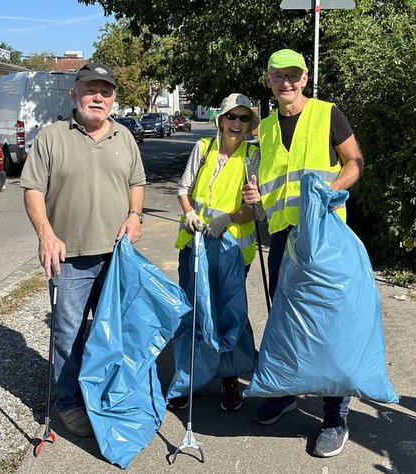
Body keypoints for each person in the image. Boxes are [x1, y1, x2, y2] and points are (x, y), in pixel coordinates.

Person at [242, 49, 364, 457]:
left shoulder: (329, 114)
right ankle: (287, 391)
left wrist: (329, 192)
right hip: (281, 237)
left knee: (328, 322)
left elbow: (355, 162)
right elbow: (274, 181)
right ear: (269, 80)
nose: (286, 83)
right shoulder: (269, 127)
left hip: (324, 235)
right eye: (279, 76)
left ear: (305, 78)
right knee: (285, 318)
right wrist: (256, 195)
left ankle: (334, 414)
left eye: (293, 75)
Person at [20, 63, 146, 437]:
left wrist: (135, 215)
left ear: (113, 99)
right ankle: (69, 402)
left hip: (116, 257)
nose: (99, 97)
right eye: (91, 89)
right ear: (74, 94)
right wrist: (45, 234)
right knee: (68, 334)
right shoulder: (52, 136)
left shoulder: (124, 136)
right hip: (70, 258)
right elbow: (32, 191)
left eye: (106, 92)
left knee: (114, 333)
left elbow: (137, 182)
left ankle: (107, 396)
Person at [170, 93, 260, 412]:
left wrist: (229, 218)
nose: (236, 123)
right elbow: (183, 190)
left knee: (227, 314)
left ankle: (230, 378)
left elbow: (257, 212)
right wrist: (190, 213)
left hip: (232, 252)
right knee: (192, 311)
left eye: (243, 118)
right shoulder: (203, 148)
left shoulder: (253, 157)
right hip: (195, 244)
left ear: (251, 124)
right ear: (220, 120)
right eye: (231, 117)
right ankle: (188, 378)